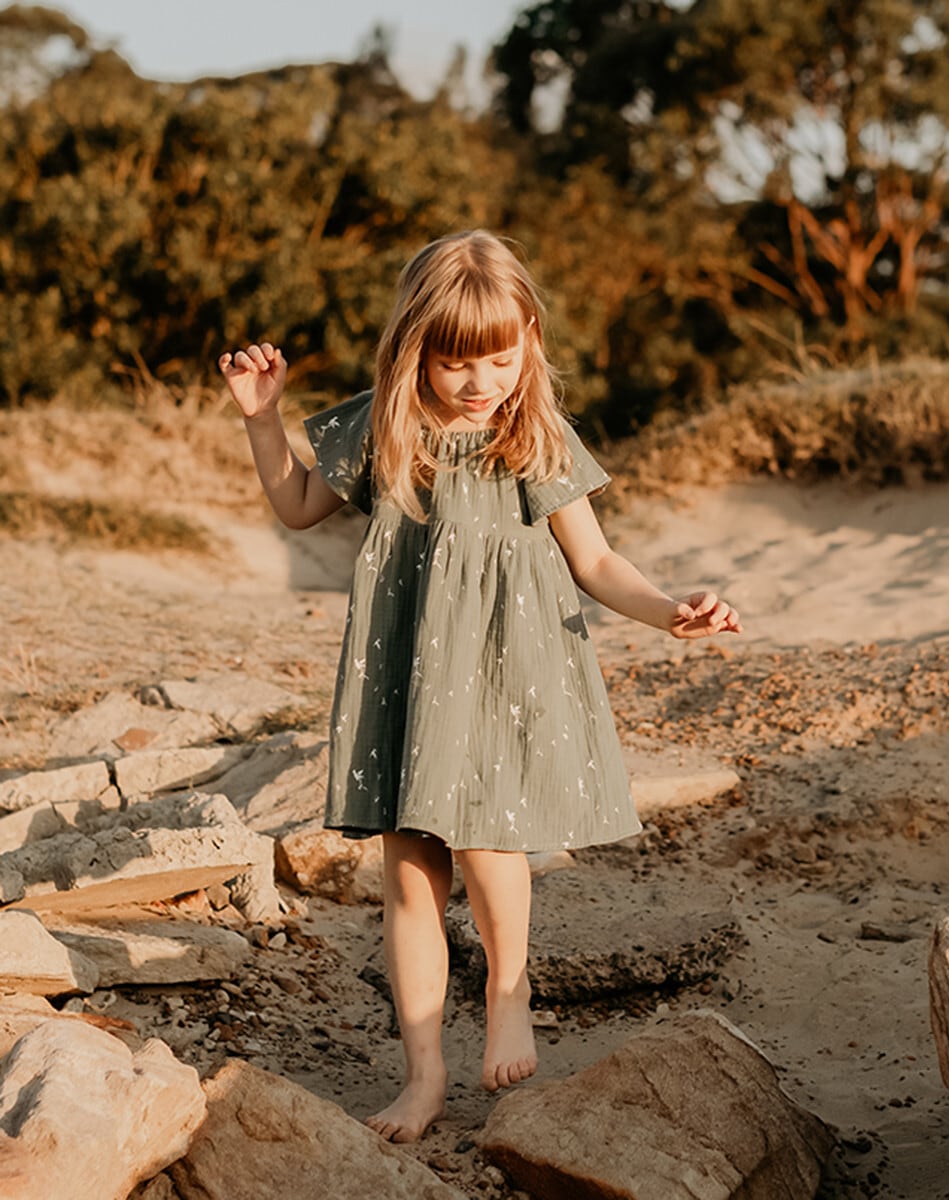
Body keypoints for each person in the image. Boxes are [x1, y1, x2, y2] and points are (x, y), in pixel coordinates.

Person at [218, 229, 741, 1144]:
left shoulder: (534, 435)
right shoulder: (385, 425)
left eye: (499, 358)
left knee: (493, 845)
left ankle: (509, 987)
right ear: (414, 348)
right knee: (411, 869)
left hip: (506, 666)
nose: (478, 381)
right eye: (456, 361)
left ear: (529, 338)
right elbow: (299, 506)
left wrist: (670, 611)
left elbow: (597, 559)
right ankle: (422, 1076)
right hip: (411, 674)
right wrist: (262, 420)